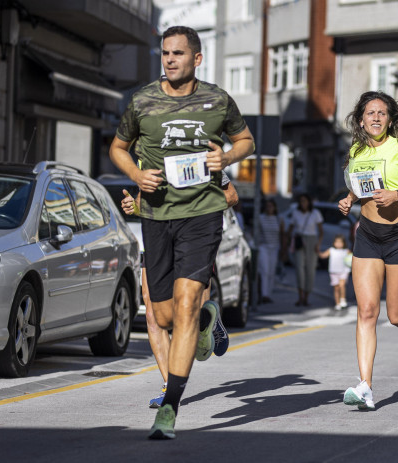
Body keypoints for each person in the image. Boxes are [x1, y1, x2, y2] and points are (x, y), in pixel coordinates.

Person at [109, 25, 255, 440]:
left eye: (178, 53)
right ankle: (209, 319)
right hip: (155, 215)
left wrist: (225, 156)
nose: (170, 60)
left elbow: (246, 140)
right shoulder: (142, 101)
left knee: (187, 302)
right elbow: (117, 147)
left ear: (197, 58)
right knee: (162, 315)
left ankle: (170, 406)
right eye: (165, 53)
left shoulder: (216, 100)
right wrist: (137, 174)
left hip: (203, 211)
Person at [338, 91, 398, 410]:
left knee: (395, 315)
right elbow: (358, 184)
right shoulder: (357, 150)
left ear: (390, 120)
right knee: (367, 312)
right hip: (367, 236)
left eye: (382, 113)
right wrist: (349, 199)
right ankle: (365, 385)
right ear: (361, 119)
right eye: (370, 113)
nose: (376, 118)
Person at [120, 180, 237, 407]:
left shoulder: (200, 151)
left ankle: (209, 322)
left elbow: (231, 195)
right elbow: (145, 200)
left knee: (191, 312)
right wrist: (135, 206)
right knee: (153, 314)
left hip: (193, 240)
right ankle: (169, 387)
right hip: (156, 237)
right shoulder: (149, 157)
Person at [287, 193, 323, 306]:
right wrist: (287, 241)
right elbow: (290, 229)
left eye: (305, 201)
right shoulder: (295, 213)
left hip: (312, 240)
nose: (303, 203)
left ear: (309, 202)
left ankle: (306, 297)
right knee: (299, 268)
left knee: (310, 269)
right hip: (299, 240)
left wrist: (318, 244)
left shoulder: (315, 213)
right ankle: (300, 296)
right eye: (301, 201)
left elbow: (321, 231)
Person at [257, 198, 283, 304]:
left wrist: (283, 249)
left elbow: (282, 234)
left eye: (271, 206)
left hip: (275, 247)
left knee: (271, 272)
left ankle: (268, 293)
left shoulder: (278, 218)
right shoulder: (260, 218)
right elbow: (256, 232)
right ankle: (264, 294)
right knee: (265, 271)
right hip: (264, 246)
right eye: (267, 206)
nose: (269, 208)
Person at [318, 234, 352, 310]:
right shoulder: (331, 250)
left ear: (344, 243)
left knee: (342, 285)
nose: (338, 244)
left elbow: (352, 258)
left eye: (340, 242)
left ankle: (343, 299)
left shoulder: (346, 251)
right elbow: (323, 256)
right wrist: (317, 251)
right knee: (336, 288)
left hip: (344, 271)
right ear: (334, 243)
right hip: (333, 272)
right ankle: (337, 303)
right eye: (337, 242)